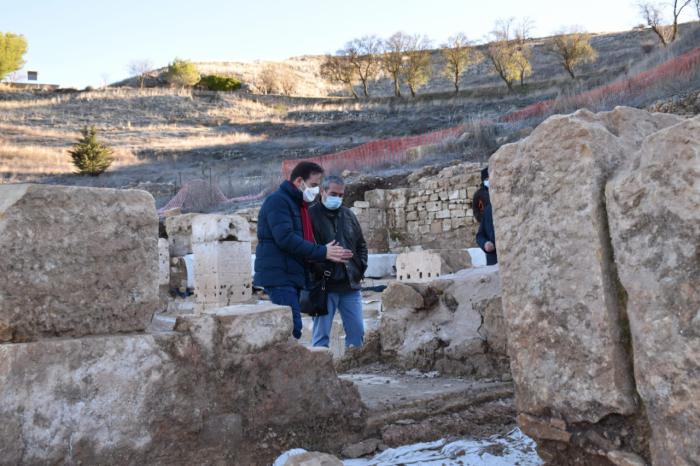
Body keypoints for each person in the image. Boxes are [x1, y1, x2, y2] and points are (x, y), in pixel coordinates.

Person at [253, 162, 353, 339]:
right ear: (300, 181)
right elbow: (286, 239)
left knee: (291, 327)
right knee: (291, 328)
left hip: (290, 274)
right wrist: (322, 252)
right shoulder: (278, 202)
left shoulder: (298, 205)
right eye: (314, 185)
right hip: (280, 275)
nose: (315, 190)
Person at [308, 175, 368, 348]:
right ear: (322, 192)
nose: (338, 198)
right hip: (324, 287)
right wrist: (324, 254)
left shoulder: (348, 215)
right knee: (320, 338)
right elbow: (303, 250)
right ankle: (321, 371)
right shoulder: (310, 216)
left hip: (350, 286)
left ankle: (354, 371)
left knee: (357, 333)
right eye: (334, 194)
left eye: (341, 195)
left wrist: (359, 267)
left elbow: (361, 245)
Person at [475, 167, 497, 265]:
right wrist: (485, 244)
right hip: (493, 258)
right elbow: (480, 235)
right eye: (487, 179)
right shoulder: (487, 209)